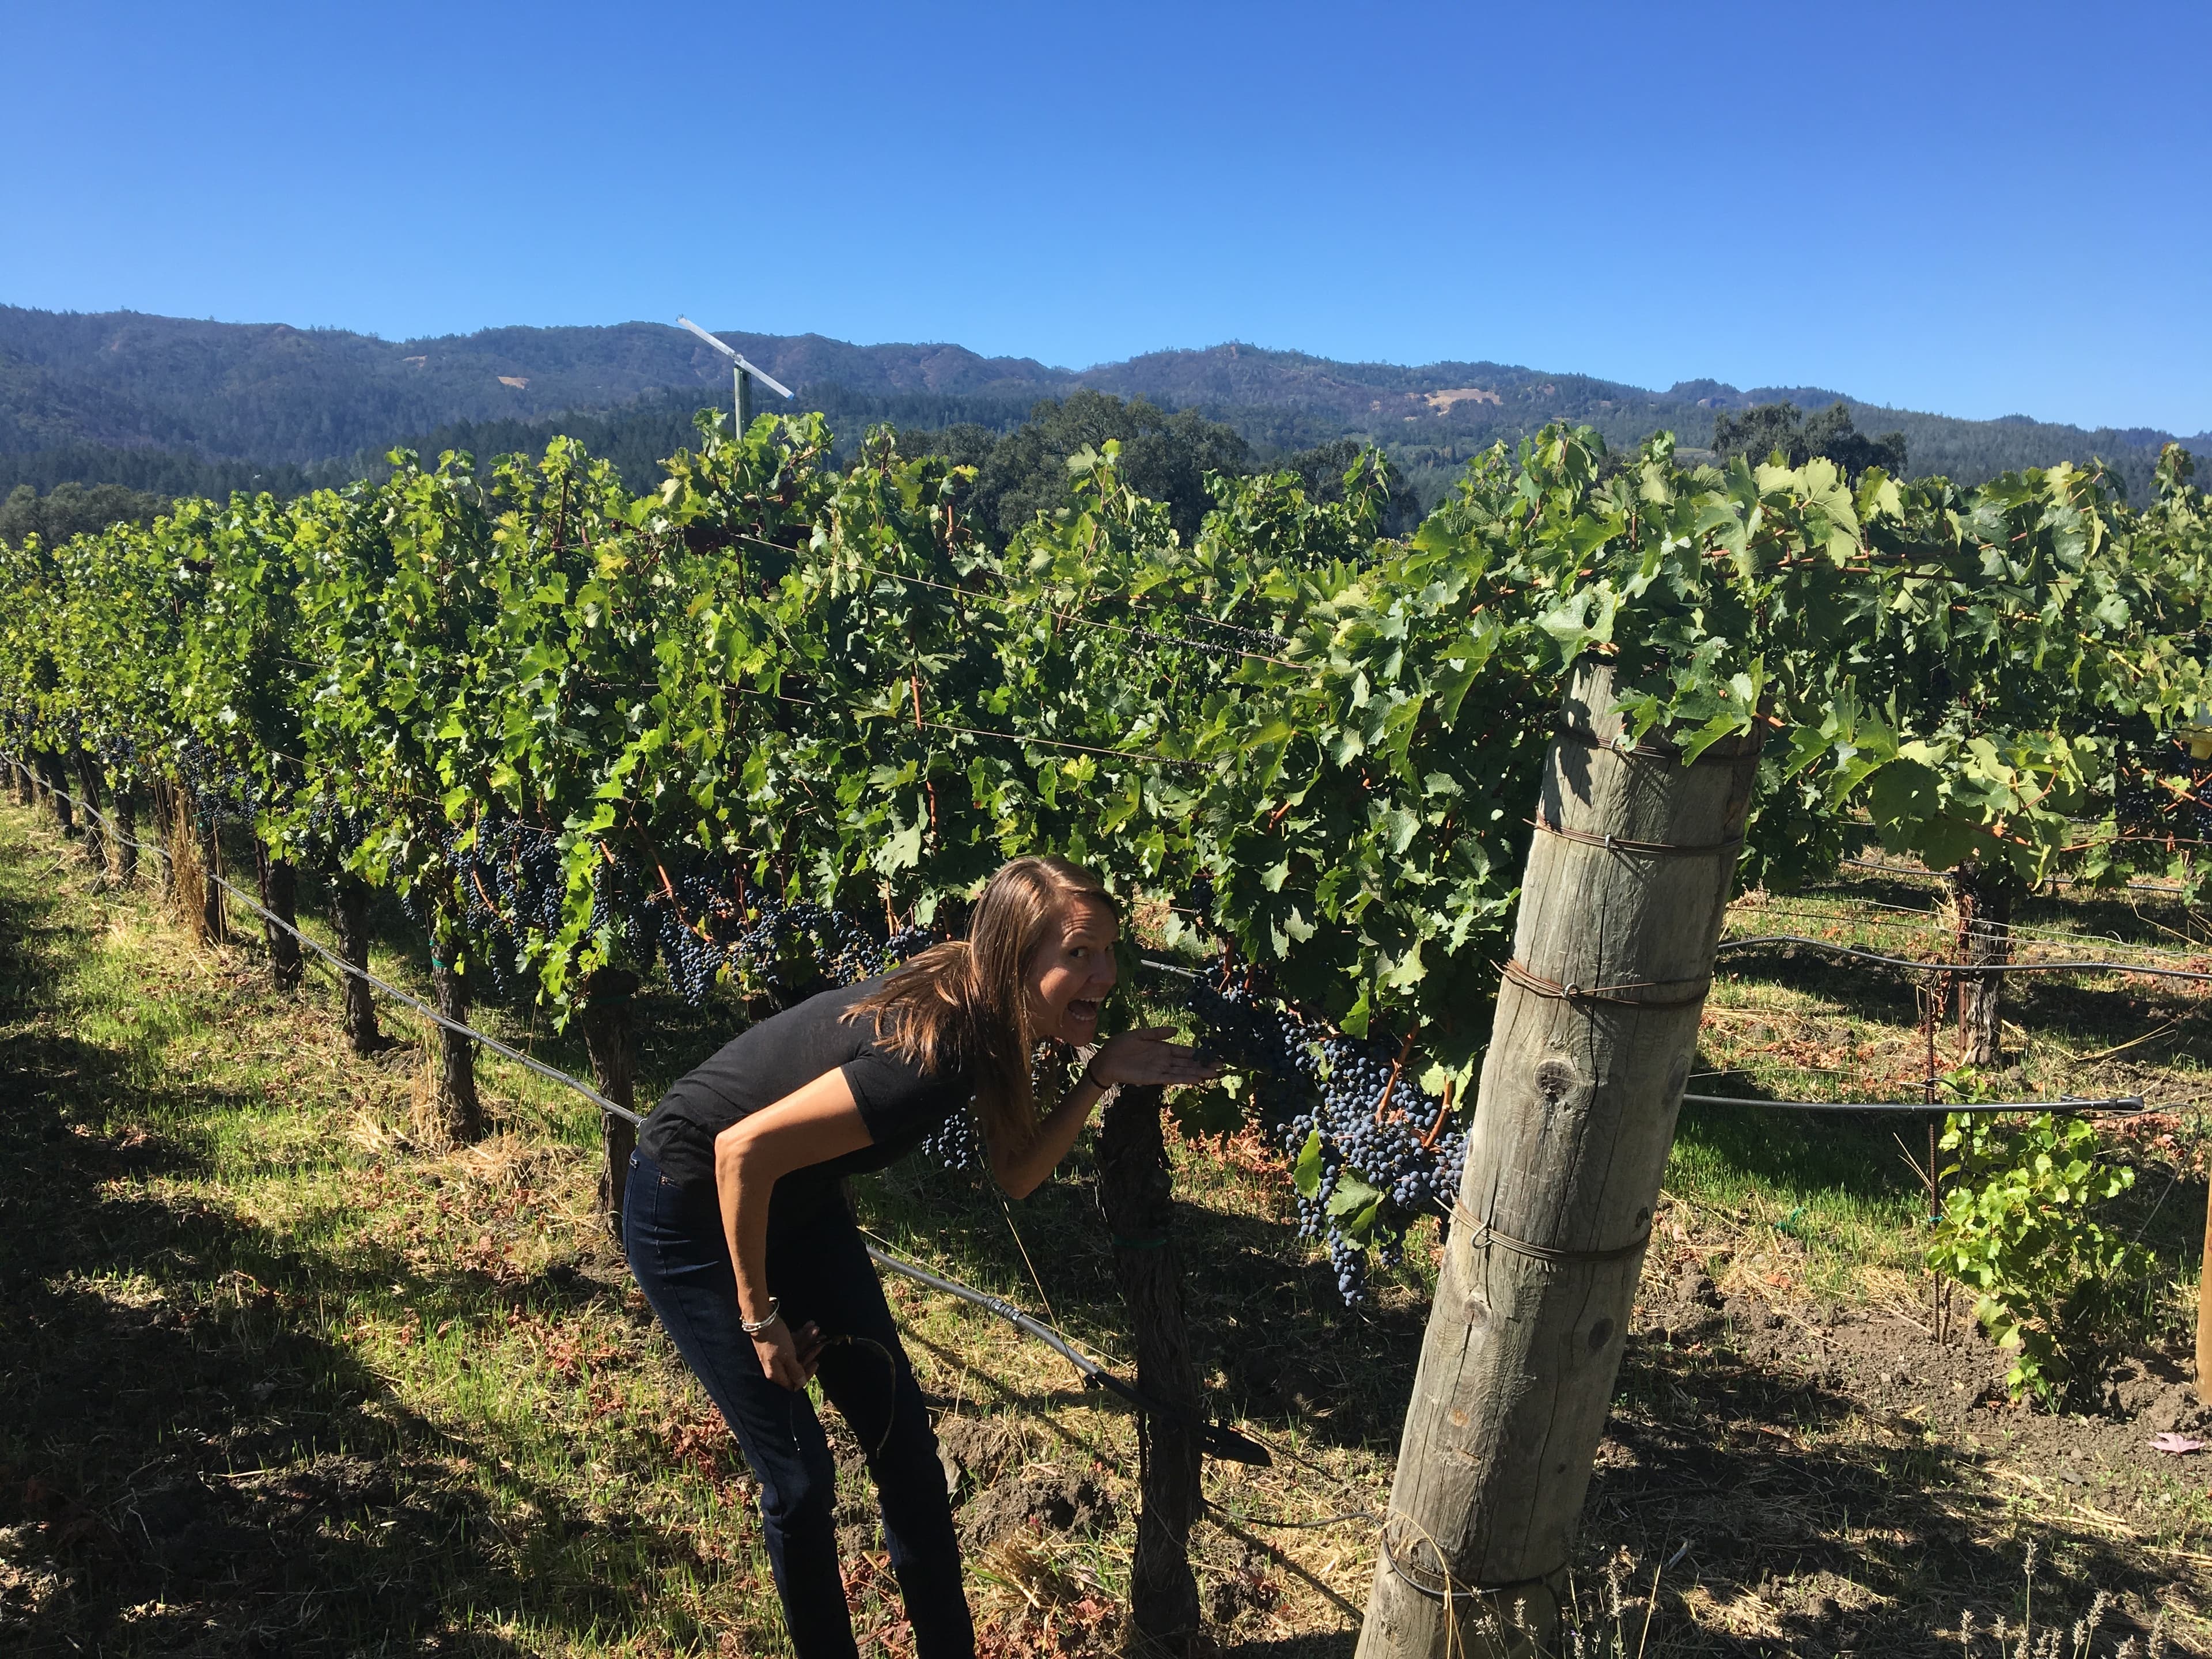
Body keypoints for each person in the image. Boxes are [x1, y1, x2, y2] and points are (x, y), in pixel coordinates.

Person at [623, 855, 1219, 1659]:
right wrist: (759, 1316)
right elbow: (739, 1152)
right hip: (693, 1204)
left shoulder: (989, 1018)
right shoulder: (932, 1052)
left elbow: (1015, 1175)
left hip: (796, 1201)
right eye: (1079, 953)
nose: (1104, 975)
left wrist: (1100, 1074)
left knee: (906, 1449)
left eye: (1109, 952)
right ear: (1015, 956)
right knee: (799, 1481)